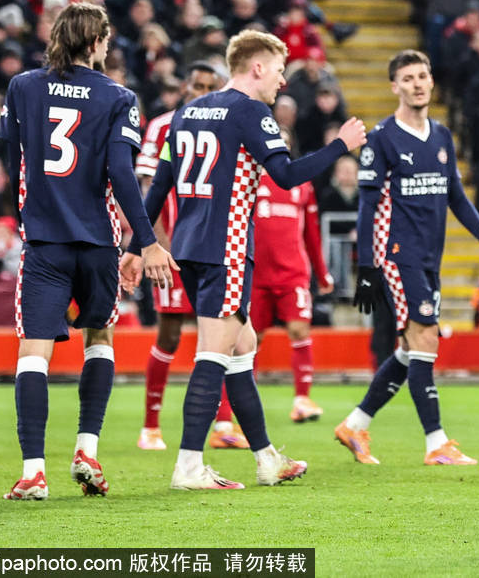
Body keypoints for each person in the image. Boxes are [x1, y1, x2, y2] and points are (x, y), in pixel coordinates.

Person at [121, 29, 367, 490]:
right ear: (256, 67)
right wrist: (340, 145)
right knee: (213, 353)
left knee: (242, 348)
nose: (282, 80)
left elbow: (160, 185)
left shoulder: (187, 113)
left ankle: (267, 458)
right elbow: (286, 175)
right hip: (227, 249)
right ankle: (188, 467)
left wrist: (137, 246)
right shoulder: (251, 111)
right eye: (278, 70)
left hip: (190, 248)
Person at [0, 2, 176, 500]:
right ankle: (86, 451)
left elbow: (14, 160)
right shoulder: (119, 96)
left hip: (45, 241)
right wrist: (147, 241)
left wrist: (28, 212)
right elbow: (121, 173)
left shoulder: (23, 87)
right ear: (97, 42)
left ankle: (33, 473)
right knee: (100, 336)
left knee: (34, 350)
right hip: (98, 241)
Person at [334, 49, 479, 467]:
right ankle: (436, 443)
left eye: (422, 76)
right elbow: (366, 208)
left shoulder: (442, 135)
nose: (416, 84)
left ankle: (355, 424)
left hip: (430, 257)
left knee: (413, 348)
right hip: (396, 254)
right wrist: (367, 267)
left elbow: (456, 196)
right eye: (408, 78)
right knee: (425, 337)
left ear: (431, 81)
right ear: (394, 86)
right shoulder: (381, 138)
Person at [134, 61, 252, 451]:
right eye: (196, 85)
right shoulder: (164, 126)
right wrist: (156, 243)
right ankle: (150, 426)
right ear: (185, 87)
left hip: (213, 247)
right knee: (169, 333)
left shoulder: (228, 123)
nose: (201, 92)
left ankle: (223, 425)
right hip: (173, 246)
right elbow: (150, 188)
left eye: (209, 86)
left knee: (221, 333)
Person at [252, 127, 335, 423]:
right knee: (251, 340)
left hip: (293, 274)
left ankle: (302, 400)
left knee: (300, 330)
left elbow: (311, 233)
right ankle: (245, 401)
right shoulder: (250, 179)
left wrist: (322, 274)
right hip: (256, 275)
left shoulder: (302, 184)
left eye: (284, 142)